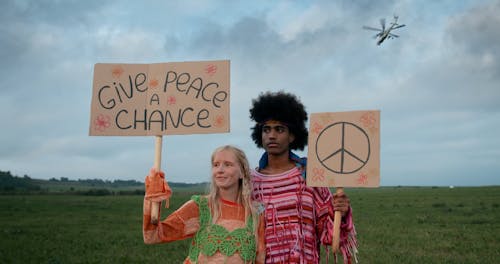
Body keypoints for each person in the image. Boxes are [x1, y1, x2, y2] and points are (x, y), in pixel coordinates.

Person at [249, 91, 357, 263]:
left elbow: (329, 233)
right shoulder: (250, 182)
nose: (271, 135)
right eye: (266, 129)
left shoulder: (309, 176)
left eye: (279, 129)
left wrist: (341, 213)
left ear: (292, 135)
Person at [143, 145, 266, 264]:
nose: (220, 170)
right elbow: (153, 236)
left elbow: (260, 259)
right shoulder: (200, 207)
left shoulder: (255, 213)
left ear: (242, 173)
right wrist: (153, 195)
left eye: (228, 164)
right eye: (216, 165)